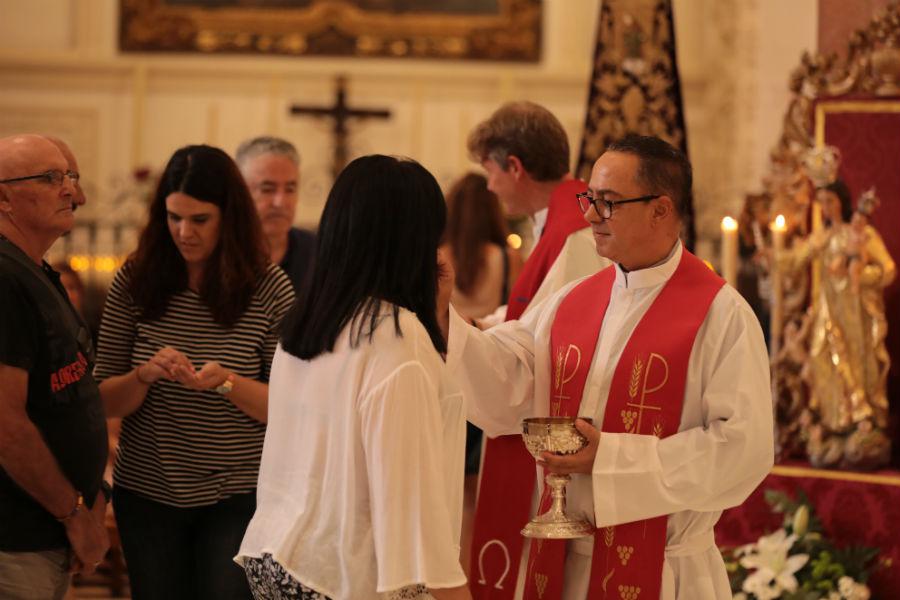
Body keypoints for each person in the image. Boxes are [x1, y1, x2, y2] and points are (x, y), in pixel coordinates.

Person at [442, 135, 773, 600]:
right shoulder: (573, 300)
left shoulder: (722, 316)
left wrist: (613, 457)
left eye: (609, 203)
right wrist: (443, 323)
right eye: (590, 199)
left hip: (664, 573)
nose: (591, 216)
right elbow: (510, 373)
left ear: (661, 209)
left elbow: (743, 449)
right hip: (562, 565)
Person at [237, 155, 471, 600]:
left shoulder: (309, 323)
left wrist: (431, 312)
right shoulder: (397, 343)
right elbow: (411, 512)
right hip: (344, 578)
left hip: (276, 559)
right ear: (413, 242)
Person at [93, 144, 295, 599]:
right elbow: (102, 397)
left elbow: (290, 407)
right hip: (147, 491)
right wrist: (144, 374)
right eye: (173, 217)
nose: (183, 232)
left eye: (199, 219)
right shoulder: (136, 280)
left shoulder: (268, 287)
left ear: (230, 217)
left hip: (237, 494)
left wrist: (225, 382)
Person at [464, 101, 609, 587]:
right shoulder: (562, 222)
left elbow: (561, 340)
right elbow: (540, 315)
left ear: (515, 166)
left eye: (490, 171)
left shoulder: (576, 234)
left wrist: (472, 333)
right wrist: (484, 326)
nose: (488, 186)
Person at [0, 134, 109, 599]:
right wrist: (74, 514)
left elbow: (63, 392)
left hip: (41, 533)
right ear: (3, 197)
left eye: (68, 176)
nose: (70, 190)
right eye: (49, 178)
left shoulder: (34, 270)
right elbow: (6, 426)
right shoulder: (4, 279)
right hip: (14, 538)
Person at [785, 181, 896, 470]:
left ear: (842, 202)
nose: (826, 206)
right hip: (826, 312)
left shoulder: (860, 235)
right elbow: (794, 261)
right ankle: (833, 420)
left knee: (855, 363)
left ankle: (861, 419)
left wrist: (860, 275)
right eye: (821, 201)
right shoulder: (821, 237)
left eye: (831, 200)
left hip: (855, 314)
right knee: (823, 360)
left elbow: (887, 269)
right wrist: (773, 256)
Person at [235, 135, 315, 291]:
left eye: (290, 189)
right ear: (239, 192)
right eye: (267, 189)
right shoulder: (218, 254)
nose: (280, 202)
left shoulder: (318, 255)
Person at [444, 172, 522, 321]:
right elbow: (518, 314)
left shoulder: (437, 256)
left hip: (448, 340)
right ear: (493, 211)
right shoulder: (510, 258)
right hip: (491, 339)